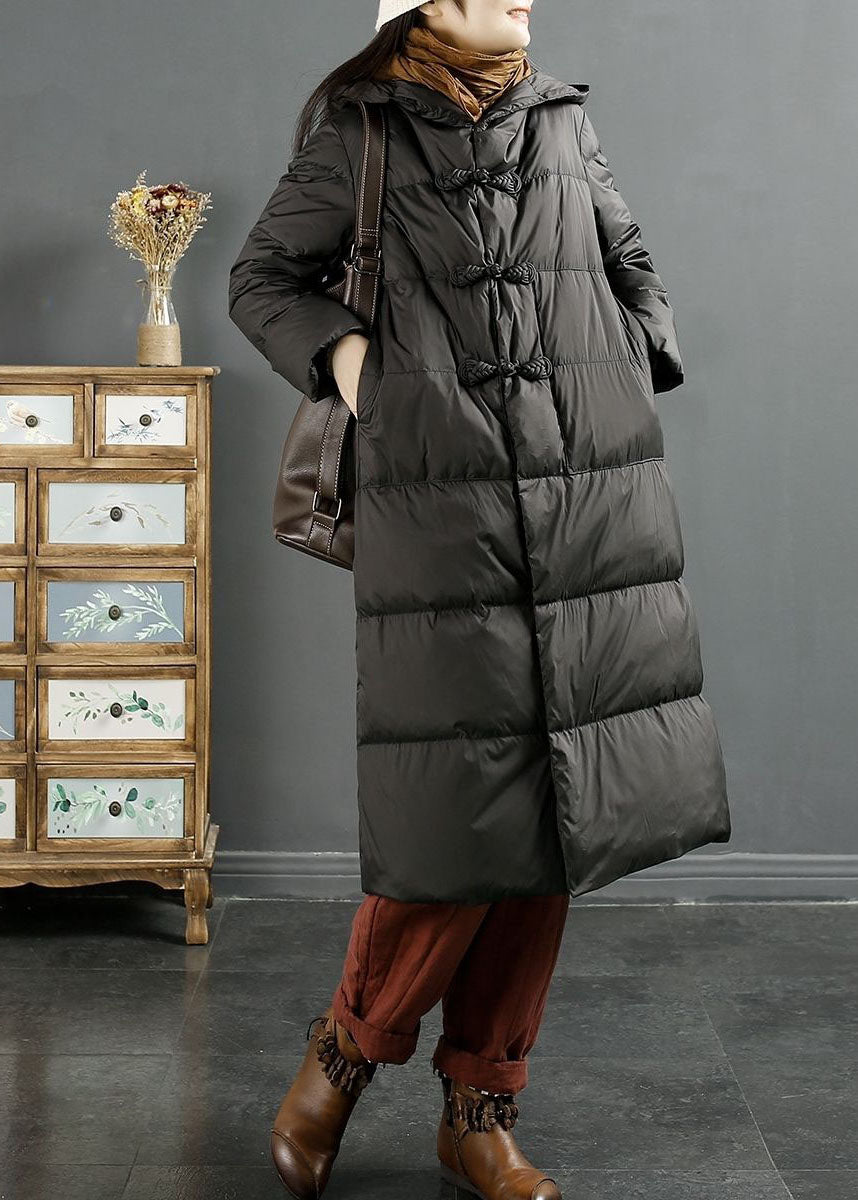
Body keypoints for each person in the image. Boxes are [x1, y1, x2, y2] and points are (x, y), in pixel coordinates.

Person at [227, 2, 731, 1197]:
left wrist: (628, 362)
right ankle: (346, 1053)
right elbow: (263, 280)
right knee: (459, 810)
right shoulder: (364, 125)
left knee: (560, 809)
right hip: (441, 501)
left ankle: (482, 1113)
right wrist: (360, 370)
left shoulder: (562, 119)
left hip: (586, 493)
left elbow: (627, 259)